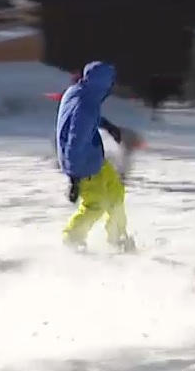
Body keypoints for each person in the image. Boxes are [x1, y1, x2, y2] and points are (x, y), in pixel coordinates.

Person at [55, 61, 136, 253]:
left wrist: (107, 126)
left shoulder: (79, 92)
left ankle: (117, 237)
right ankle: (72, 239)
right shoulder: (86, 106)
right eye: (110, 82)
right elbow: (76, 138)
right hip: (82, 164)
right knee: (96, 204)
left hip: (93, 157)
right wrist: (74, 177)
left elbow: (86, 118)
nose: (111, 87)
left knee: (116, 193)